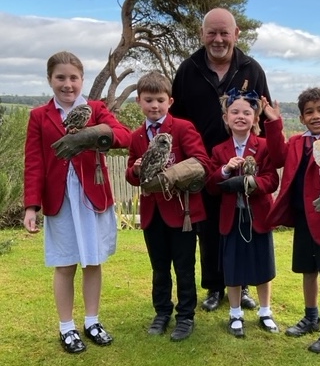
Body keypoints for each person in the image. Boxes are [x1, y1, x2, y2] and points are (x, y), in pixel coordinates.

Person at [23, 51, 131, 354]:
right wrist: (31, 205)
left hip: (92, 196)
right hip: (60, 199)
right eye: (60, 78)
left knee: (93, 260)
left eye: (73, 78)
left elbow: (124, 136)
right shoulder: (39, 117)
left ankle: (92, 321)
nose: (67, 84)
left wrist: (93, 133)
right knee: (65, 263)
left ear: (82, 80)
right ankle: (66, 327)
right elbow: (33, 162)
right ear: (50, 80)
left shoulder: (96, 109)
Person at [171, 7, 272, 312]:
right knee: (210, 231)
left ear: (236, 34)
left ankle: (240, 288)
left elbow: (263, 120)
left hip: (243, 167)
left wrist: (260, 161)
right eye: (211, 33)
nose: (218, 39)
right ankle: (215, 287)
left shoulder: (252, 69)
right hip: (202, 168)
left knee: (242, 229)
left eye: (224, 33)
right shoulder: (187, 70)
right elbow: (176, 121)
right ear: (202, 35)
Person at [263, 87, 320, 353]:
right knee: (308, 271)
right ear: (302, 118)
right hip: (303, 218)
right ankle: (311, 317)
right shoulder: (296, 142)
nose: (316, 116)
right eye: (309, 112)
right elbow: (278, 158)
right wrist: (273, 122)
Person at [125, 71, 209, 342]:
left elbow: (202, 163)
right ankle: (162, 312)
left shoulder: (183, 128)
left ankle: (185, 317)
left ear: (169, 101)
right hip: (152, 213)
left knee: (184, 268)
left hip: (181, 212)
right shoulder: (137, 136)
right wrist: (136, 171)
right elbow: (130, 171)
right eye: (148, 100)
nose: (154, 106)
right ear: (139, 101)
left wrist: (173, 174)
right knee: (159, 268)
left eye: (160, 100)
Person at [206, 88, 279, 337]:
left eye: (246, 112)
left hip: (258, 216)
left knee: (263, 265)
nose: (240, 116)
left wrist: (252, 183)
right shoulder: (219, 151)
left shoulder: (264, 146)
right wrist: (226, 171)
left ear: (255, 118)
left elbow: (272, 180)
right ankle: (235, 314)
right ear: (226, 118)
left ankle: (265, 312)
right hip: (232, 218)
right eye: (234, 112)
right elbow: (211, 186)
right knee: (233, 267)